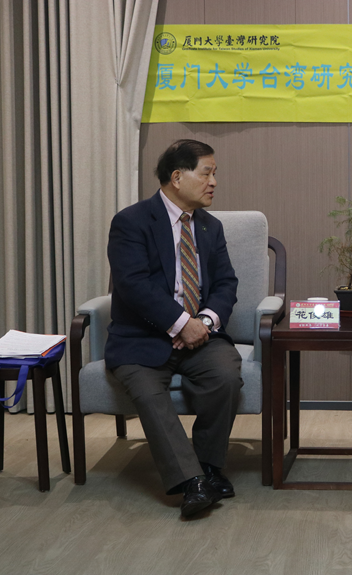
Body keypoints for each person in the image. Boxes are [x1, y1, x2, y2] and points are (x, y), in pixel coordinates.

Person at [106, 139, 243, 519]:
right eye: (207, 173)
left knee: (226, 377)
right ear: (177, 177)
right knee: (149, 395)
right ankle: (191, 481)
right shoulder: (131, 222)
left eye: (215, 173)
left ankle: (209, 467)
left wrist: (204, 323)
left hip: (201, 337)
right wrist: (181, 324)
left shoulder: (210, 227)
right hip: (142, 339)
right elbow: (133, 285)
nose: (214, 182)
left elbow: (226, 284)